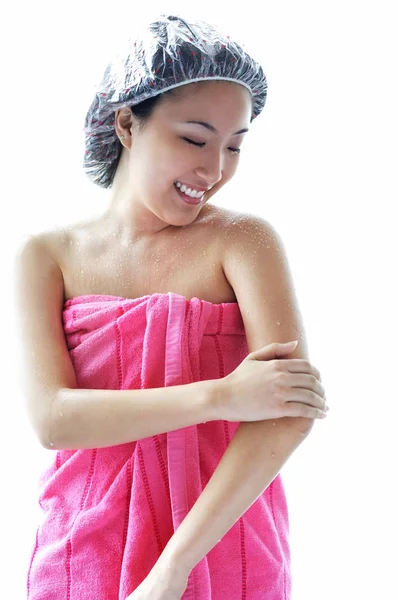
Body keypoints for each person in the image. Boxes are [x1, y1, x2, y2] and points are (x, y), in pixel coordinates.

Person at [15, 14, 328, 600]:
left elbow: (290, 414)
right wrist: (223, 396)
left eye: (234, 145)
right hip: (83, 546)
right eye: (194, 138)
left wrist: (173, 566)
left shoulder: (244, 242)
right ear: (127, 125)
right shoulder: (46, 256)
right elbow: (54, 420)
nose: (214, 171)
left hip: (227, 548)